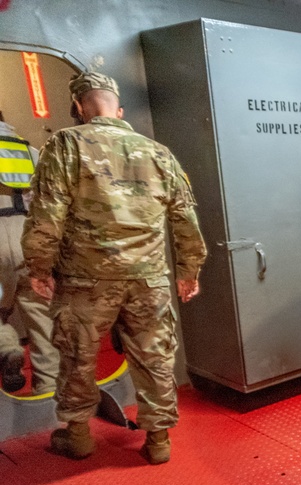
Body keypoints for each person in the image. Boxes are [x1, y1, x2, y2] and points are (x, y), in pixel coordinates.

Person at [22, 71, 207, 464]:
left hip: (85, 280)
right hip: (149, 280)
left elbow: (47, 214)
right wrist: (189, 269)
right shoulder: (159, 152)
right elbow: (185, 218)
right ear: (117, 107)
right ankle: (158, 441)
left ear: (78, 106)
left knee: (77, 357)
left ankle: (78, 437)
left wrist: (39, 267)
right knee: (154, 356)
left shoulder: (66, 144)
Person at [0, 112, 58, 394]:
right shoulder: (30, 151)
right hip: (27, 237)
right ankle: (48, 389)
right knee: (41, 318)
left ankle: (8, 348)